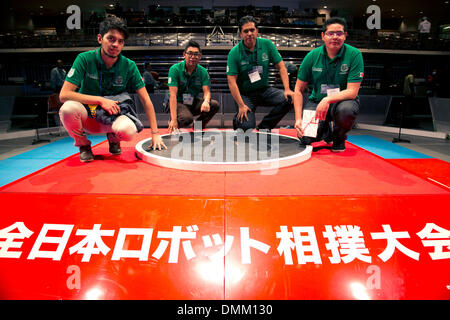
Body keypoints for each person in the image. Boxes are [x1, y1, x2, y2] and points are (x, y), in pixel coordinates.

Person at [59, 16, 166, 162]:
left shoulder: (129, 65)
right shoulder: (84, 59)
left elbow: (146, 101)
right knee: (67, 109)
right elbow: (64, 95)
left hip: (112, 117)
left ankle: (113, 138)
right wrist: (100, 100)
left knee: (129, 131)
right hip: (88, 115)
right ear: (99, 38)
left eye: (120, 41)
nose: (115, 44)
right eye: (111, 38)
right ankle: (83, 145)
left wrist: (155, 133)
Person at [294, 17, 364, 152]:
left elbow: (352, 91)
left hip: (342, 102)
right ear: (323, 36)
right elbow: (298, 89)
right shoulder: (312, 56)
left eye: (339, 33)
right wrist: (298, 119)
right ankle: (325, 129)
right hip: (317, 102)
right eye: (330, 33)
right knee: (306, 138)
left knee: (346, 111)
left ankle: (339, 137)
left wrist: (327, 99)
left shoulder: (354, 55)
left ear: (345, 36)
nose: (335, 37)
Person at [226, 15, 294, 131]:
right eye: (245, 31)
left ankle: (265, 126)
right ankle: (237, 120)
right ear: (241, 34)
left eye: (252, 30)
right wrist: (241, 105)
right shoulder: (234, 53)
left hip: (264, 90)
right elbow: (231, 82)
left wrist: (287, 88)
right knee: (246, 129)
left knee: (290, 98)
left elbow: (282, 67)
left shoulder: (267, 44)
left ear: (257, 31)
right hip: (245, 95)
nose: (249, 34)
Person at [167, 40, 220, 133]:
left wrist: (206, 101)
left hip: (191, 102)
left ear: (200, 56)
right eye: (190, 54)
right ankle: (174, 123)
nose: (193, 57)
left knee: (214, 105)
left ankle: (198, 126)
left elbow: (207, 92)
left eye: (196, 54)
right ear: (184, 54)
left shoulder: (203, 71)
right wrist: (174, 119)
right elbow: (172, 95)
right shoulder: (174, 69)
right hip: (177, 102)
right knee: (187, 119)